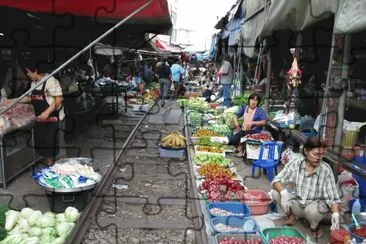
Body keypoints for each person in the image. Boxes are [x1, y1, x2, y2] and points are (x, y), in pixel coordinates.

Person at [272, 136, 340, 240]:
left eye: (321, 155)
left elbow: (333, 196)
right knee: (275, 193)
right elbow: (276, 180)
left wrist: (335, 213)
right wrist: (284, 192)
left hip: (314, 208)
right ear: (306, 151)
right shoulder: (296, 163)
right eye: (315, 154)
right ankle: (291, 217)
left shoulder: (326, 169)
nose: (318, 158)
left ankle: (315, 227)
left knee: (312, 211)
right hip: (298, 204)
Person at [17, 67, 65, 166]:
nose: (28, 75)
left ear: (35, 71)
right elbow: (29, 97)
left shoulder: (50, 80)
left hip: (54, 118)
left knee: (55, 145)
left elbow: (59, 99)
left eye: (29, 72)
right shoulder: (34, 83)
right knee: (45, 143)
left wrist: (47, 112)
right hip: (41, 119)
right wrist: (13, 101)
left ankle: (61, 169)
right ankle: (49, 166)